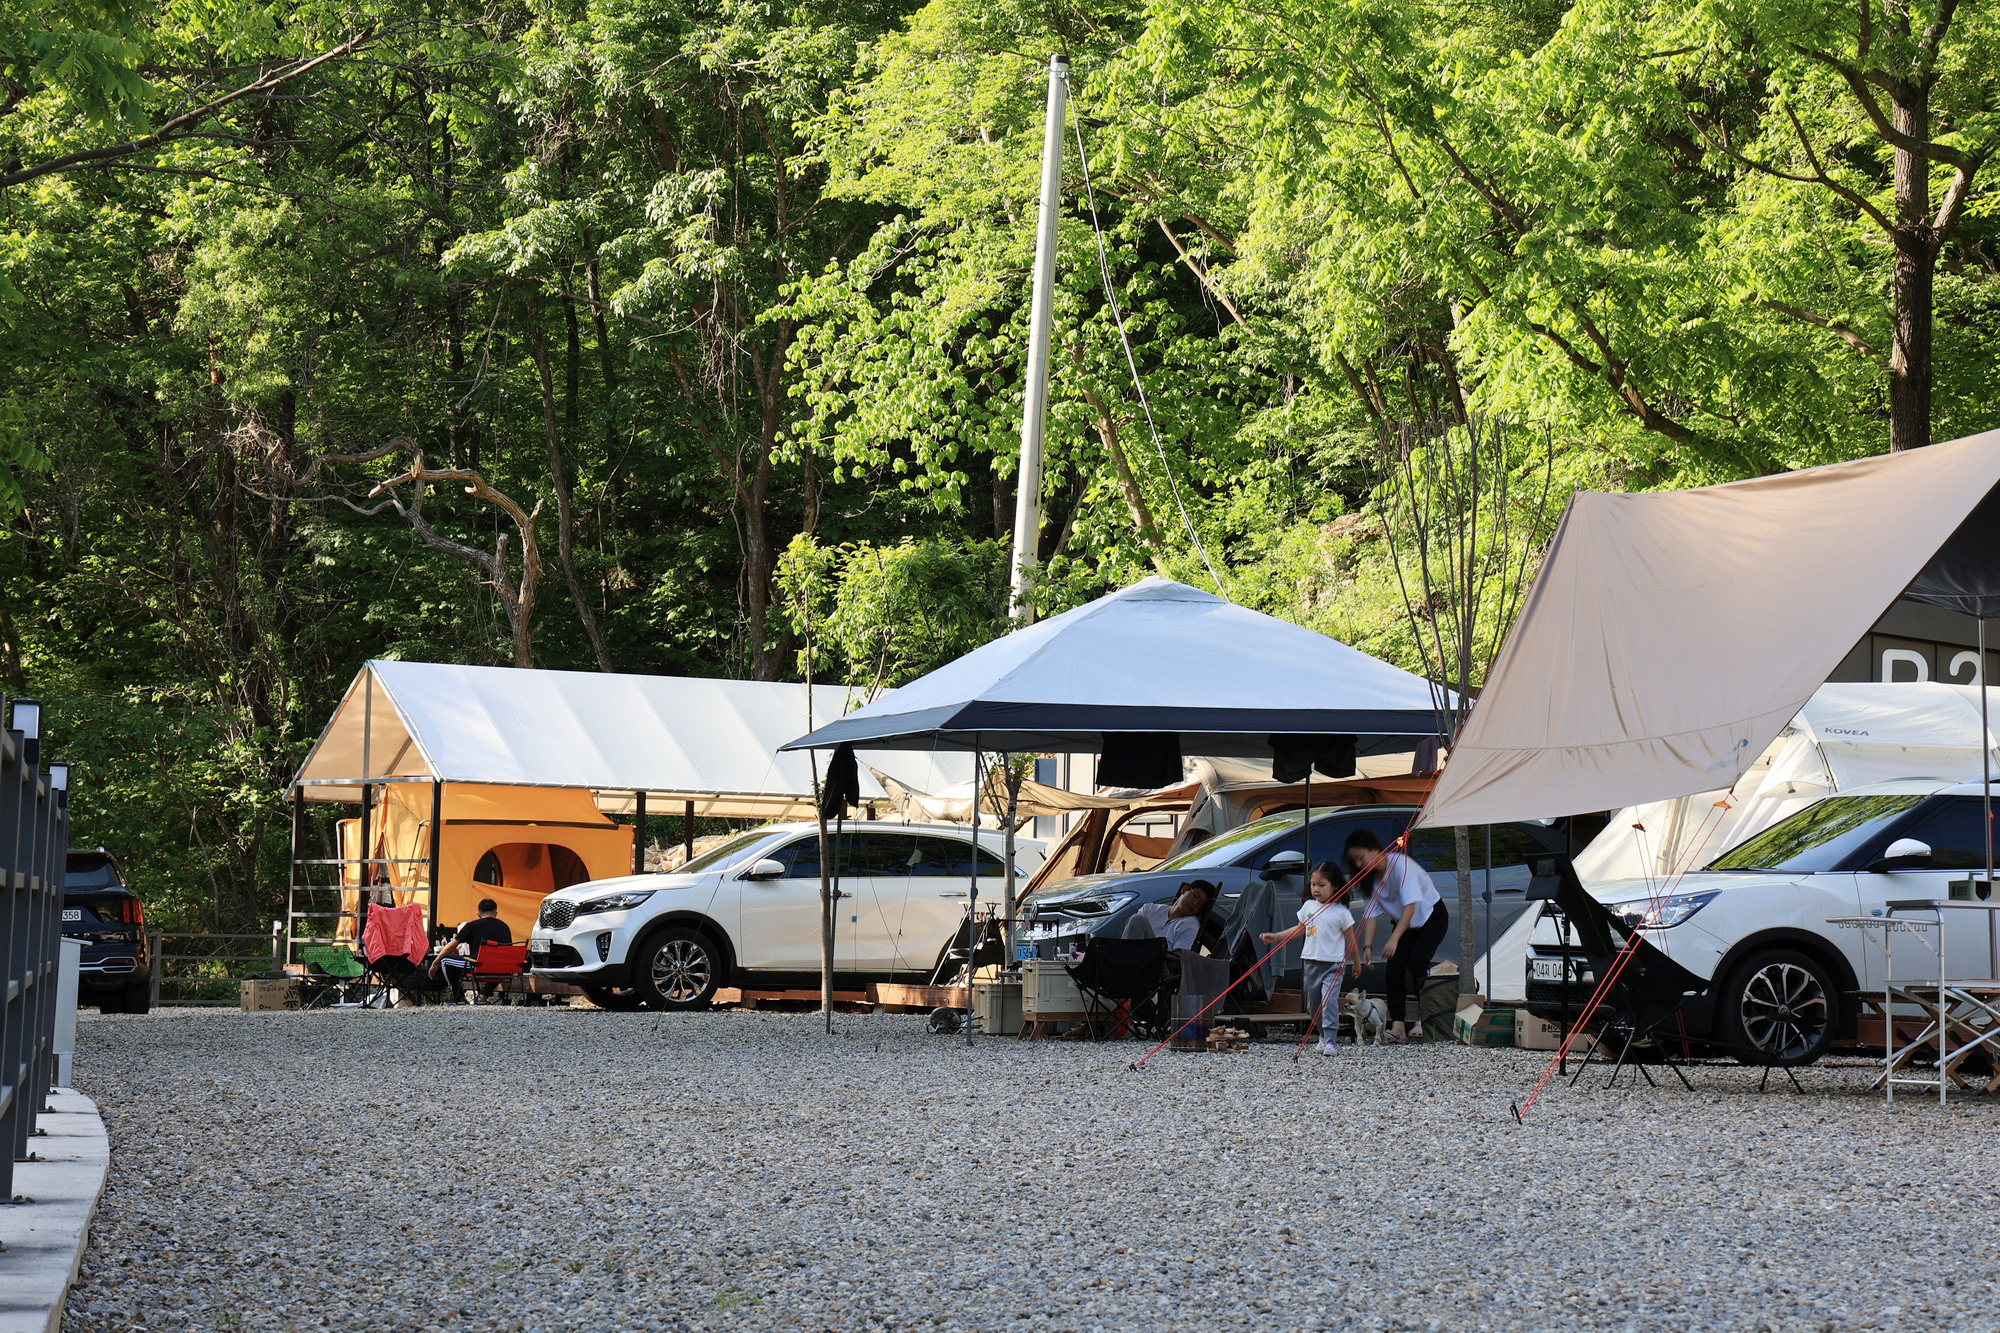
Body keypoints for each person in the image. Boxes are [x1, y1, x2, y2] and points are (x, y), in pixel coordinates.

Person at [1347, 828, 1446, 1043]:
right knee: (1393, 971)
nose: (1359, 865)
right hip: (1405, 924)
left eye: (1361, 858)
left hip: (1431, 917)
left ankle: (1425, 1019)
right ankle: (1398, 1026)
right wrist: (1368, 947)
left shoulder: (1401, 866)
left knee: (1418, 964)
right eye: (1355, 861)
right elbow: (1370, 915)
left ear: (1376, 850)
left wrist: (1394, 938)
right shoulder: (1371, 880)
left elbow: (1410, 907)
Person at [1260, 861, 1358, 1056]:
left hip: (1333, 965)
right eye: (1313, 885)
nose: (1316, 889)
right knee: (1313, 1005)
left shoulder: (1341, 912)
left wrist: (1356, 962)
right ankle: (1322, 1034)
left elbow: (1351, 940)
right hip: (1311, 963)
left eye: (1321, 885)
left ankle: (1331, 1041)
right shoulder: (1308, 906)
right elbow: (1299, 928)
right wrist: (1277, 936)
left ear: (1335, 886)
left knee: (1329, 1001)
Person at [430, 898, 512, 1003]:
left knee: (445, 960)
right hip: (503, 970)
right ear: (496, 914)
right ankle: (483, 995)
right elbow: (507, 950)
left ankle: (459, 997)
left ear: (478, 914)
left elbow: (450, 947)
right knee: (495, 965)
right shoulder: (505, 927)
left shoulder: (473, 925)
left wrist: (434, 963)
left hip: (479, 967)